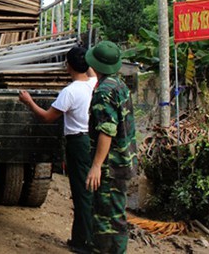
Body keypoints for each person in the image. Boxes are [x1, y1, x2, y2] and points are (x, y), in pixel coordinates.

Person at [18, 46, 97, 254]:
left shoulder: (69, 92)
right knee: (89, 190)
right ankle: (84, 238)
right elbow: (91, 72)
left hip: (77, 143)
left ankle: (84, 242)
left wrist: (29, 102)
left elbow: (46, 117)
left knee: (81, 192)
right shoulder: (93, 84)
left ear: (67, 66)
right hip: (91, 140)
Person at [84, 41, 137, 254]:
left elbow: (107, 130)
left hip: (109, 166)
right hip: (123, 161)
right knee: (116, 216)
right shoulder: (119, 86)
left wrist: (96, 165)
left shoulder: (104, 92)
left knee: (105, 218)